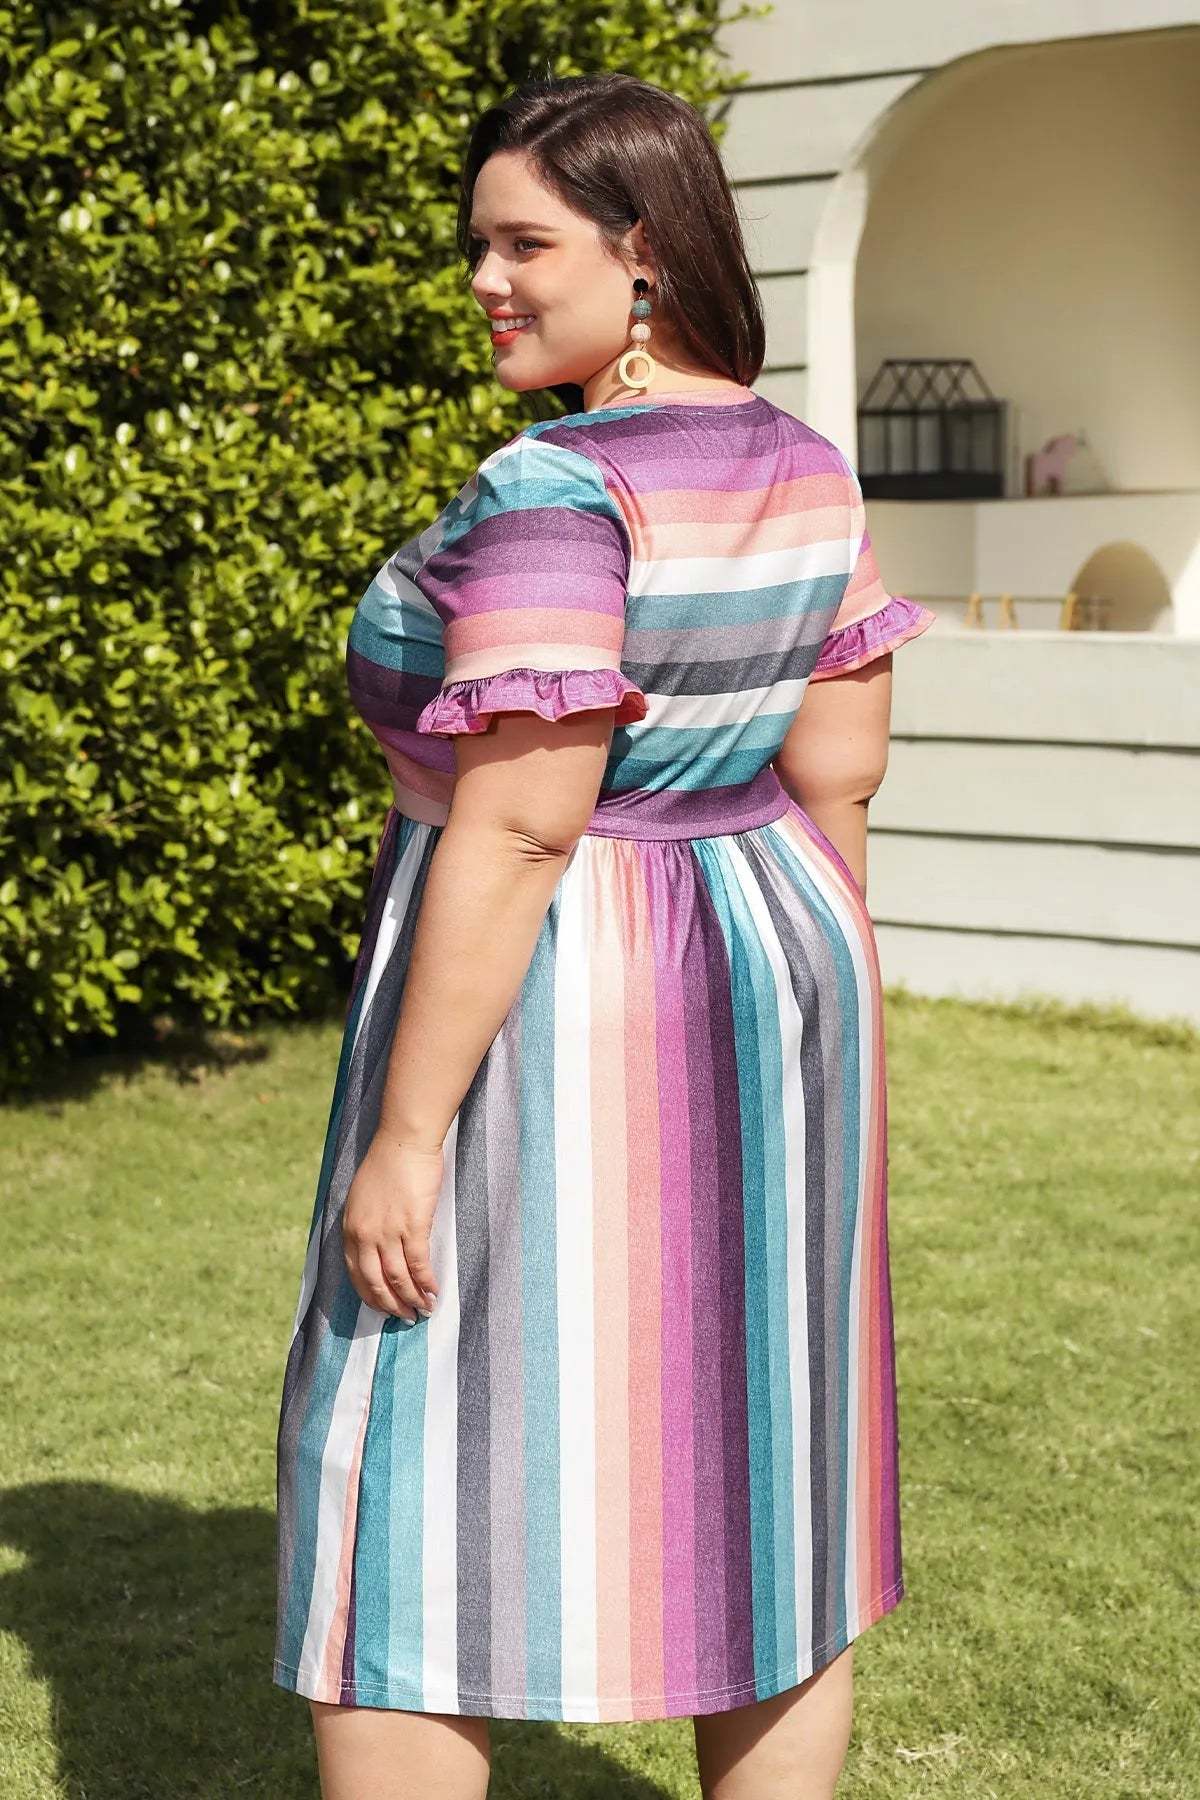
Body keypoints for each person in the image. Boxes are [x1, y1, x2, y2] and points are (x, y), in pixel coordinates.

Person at [272, 71, 936, 1800]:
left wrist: (408, 1136)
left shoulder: (554, 491)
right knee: (770, 1452)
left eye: (523, 244)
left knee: (405, 1472)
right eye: (477, 244)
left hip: (566, 988)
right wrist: (824, 1028)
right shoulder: (805, 466)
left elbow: (522, 822)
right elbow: (840, 776)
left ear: (642, 255)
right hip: (782, 962)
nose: (483, 280)